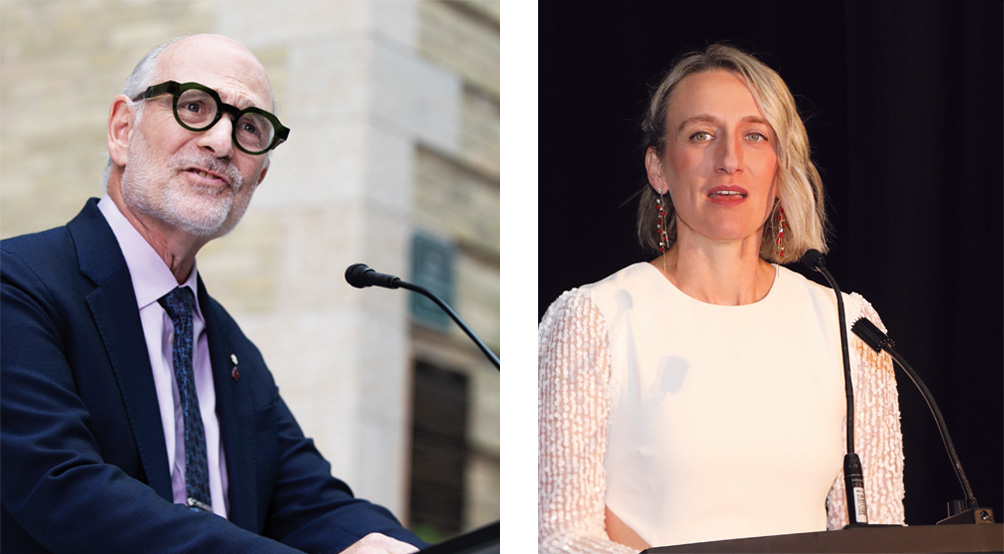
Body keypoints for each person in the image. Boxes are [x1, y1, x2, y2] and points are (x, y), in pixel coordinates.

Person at [1, 34, 426, 554]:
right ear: (121, 129)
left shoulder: (227, 345)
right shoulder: (19, 285)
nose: (222, 142)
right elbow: (61, 488)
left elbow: (312, 505)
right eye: (195, 106)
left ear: (259, 176)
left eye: (250, 127)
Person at [538, 44, 905, 553]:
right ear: (659, 168)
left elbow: (879, 536)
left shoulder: (850, 325)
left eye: (755, 136)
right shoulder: (592, 319)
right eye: (701, 135)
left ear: (781, 169)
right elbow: (560, 535)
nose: (729, 160)